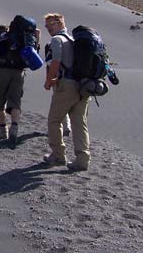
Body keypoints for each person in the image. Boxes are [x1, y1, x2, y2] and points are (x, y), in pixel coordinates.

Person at [43, 13, 91, 171]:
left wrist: (49, 80)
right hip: (83, 86)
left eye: (51, 24)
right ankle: (83, 159)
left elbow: (56, 61)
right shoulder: (74, 40)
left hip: (66, 86)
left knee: (54, 120)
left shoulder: (57, 40)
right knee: (79, 122)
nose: (49, 28)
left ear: (59, 23)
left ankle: (58, 155)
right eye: (47, 26)